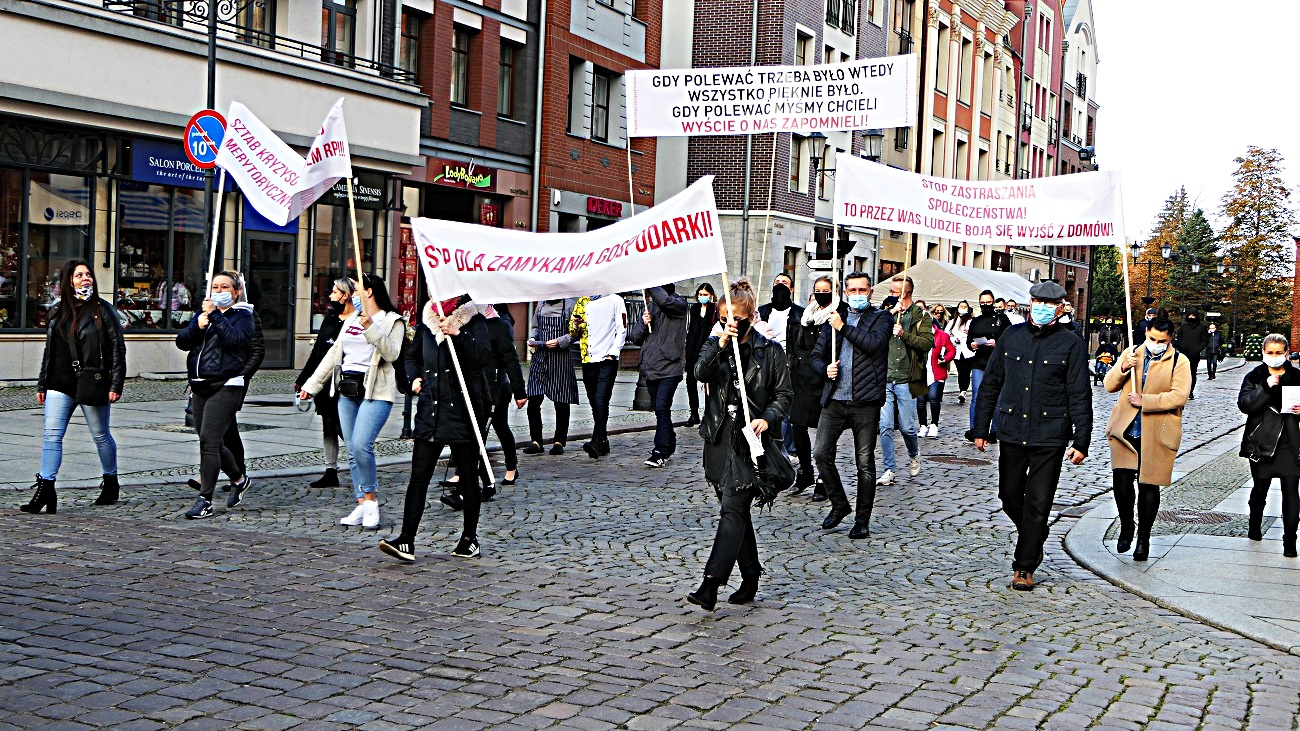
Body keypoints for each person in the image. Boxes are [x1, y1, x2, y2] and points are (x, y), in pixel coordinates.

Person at [973, 281, 1092, 591]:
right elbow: (991, 383)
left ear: (1061, 308)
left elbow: (1080, 394)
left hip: (1050, 435)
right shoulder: (1011, 336)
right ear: (1030, 302)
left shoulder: (1071, 343)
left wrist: (1081, 440)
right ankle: (1035, 534)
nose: (1042, 308)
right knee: (1009, 496)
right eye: (1038, 302)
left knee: (1039, 502)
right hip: (1012, 430)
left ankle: (1024, 565)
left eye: (1049, 304)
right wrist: (980, 428)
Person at [686, 278, 791, 610]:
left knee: (733, 509)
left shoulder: (770, 351)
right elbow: (699, 372)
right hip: (719, 438)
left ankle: (710, 583)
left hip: (750, 441)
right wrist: (720, 344)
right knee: (736, 512)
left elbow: (784, 394)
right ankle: (751, 575)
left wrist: (768, 418)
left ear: (751, 316)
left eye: (737, 318)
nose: (730, 323)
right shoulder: (715, 344)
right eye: (724, 317)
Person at [379, 296, 494, 562]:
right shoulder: (428, 321)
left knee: (468, 478)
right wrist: (414, 378)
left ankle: (469, 539)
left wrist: (458, 333)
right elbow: (411, 357)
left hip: (463, 411)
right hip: (431, 410)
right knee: (418, 477)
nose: (433, 294)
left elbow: (483, 357)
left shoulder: (473, 320)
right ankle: (406, 540)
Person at [300, 274, 405, 530]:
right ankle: (361, 503)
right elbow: (334, 353)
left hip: (375, 391)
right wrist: (311, 386)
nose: (354, 295)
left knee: (361, 445)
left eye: (357, 290)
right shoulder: (351, 320)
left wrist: (371, 328)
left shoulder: (392, 321)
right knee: (351, 450)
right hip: (347, 389)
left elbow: (392, 353)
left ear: (369, 292)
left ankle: (371, 501)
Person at [24, 260, 126, 513]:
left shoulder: (102, 310)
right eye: (79, 275)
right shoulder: (57, 310)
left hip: (92, 381)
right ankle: (46, 489)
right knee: (52, 436)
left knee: (100, 435)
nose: (85, 278)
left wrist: (116, 383)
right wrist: (42, 382)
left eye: (88, 274)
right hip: (59, 382)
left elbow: (117, 347)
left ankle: (110, 481)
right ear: (69, 281)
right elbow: (50, 351)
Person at [811, 272, 893, 539]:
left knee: (864, 463)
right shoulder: (835, 317)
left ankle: (862, 520)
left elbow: (873, 345)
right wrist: (825, 369)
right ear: (845, 293)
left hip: (865, 402)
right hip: (835, 399)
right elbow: (816, 355)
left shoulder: (881, 318)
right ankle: (839, 503)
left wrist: (843, 327)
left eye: (862, 290)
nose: (857, 294)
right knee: (821, 453)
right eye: (853, 290)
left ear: (870, 292)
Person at [1105, 317, 1191, 561]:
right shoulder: (1132, 353)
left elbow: (1179, 396)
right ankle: (1126, 526)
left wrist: (1146, 401)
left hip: (1156, 432)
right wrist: (1123, 367)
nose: (1156, 343)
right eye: (1152, 338)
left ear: (1170, 338)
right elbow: (1109, 385)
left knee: (1148, 486)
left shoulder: (1179, 361)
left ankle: (1144, 538)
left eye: (1161, 341)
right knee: (1122, 482)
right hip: (1125, 429)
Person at [176, 271, 256, 519]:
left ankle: (205, 500)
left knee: (209, 442)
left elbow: (235, 341)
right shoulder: (203, 314)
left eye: (224, 287)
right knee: (210, 440)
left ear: (236, 292)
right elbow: (182, 342)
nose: (219, 291)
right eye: (215, 287)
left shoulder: (243, 316)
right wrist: (197, 326)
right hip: (201, 384)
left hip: (227, 384)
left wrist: (215, 316)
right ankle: (239, 479)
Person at [1237, 334, 1300, 558]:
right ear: (1264, 352)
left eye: (1279, 353)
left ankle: (1290, 540)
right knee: (1260, 488)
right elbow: (1245, 405)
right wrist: (1265, 386)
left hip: (1291, 443)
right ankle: (1254, 525)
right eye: (1270, 352)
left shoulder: (1297, 377)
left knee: (1291, 491)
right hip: (1262, 441)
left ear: (1286, 353)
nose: (1274, 357)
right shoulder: (1255, 376)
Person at [294, 278, 355, 488]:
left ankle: (361, 461)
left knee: (342, 426)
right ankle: (331, 470)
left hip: (344, 381)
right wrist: (304, 379)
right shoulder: (330, 318)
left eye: (335, 292)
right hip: (323, 381)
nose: (330, 295)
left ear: (345, 295)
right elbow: (318, 352)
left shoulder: (357, 320)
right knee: (328, 423)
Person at [878, 275, 933, 485]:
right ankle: (889, 469)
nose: (890, 294)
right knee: (885, 425)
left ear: (905, 293)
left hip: (906, 379)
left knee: (907, 427)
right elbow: (873, 330)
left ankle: (913, 453)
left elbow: (927, 343)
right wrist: (891, 313)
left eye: (894, 291)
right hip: (885, 377)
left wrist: (904, 334)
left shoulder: (921, 316)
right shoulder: (886, 313)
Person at [628, 284, 689, 468]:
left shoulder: (679, 303)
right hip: (651, 367)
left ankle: (660, 451)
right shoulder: (651, 306)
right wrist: (643, 322)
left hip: (670, 368)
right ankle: (670, 440)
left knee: (662, 406)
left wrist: (650, 281)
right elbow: (635, 337)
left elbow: (665, 301)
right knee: (659, 408)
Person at [789, 276, 838, 496]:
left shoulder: (838, 313)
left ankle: (823, 478)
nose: (821, 294)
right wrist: (796, 362)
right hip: (802, 378)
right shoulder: (806, 315)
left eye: (826, 290)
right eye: (818, 290)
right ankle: (805, 472)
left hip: (825, 377)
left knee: (823, 431)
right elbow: (798, 344)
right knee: (797, 425)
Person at [570, 292, 627, 459]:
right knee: (594, 402)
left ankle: (596, 441)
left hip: (607, 359)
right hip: (588, 359)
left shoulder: (615, 300)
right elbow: (573, 331)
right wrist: (576, 325)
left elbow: (622, 328)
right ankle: (603, 441)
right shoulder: (582, 301)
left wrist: (613, 353)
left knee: (601, 400)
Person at [523, 297, 580, 455]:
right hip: (540, 357)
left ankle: (559, 441)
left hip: (560, 358)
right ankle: (536, 441)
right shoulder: (540, 304)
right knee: (533, 400)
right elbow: (535, 327)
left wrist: (560, 341)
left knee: (561, 402)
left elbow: (576, 333)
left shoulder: (570, 305)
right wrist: (533, 339)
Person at [964, 290, 1011, 440]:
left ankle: (994, 430)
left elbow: (1010, 338)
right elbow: (969, 340)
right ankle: (974, 429)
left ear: (993, 302)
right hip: (980, 361)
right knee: (976, 395)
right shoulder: (976, 321)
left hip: (997, 362)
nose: (985, 305)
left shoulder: (1001, 318)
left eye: (988, 302)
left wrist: (997, 343)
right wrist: (972, 345)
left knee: (997, 397)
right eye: (982, 302)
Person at [917, 304, 955, 438]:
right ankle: (922, 425)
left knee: (934, 398)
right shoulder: (917, 336)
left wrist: (945, 359)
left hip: (936, 372)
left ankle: (934, 424)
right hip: (921, 373)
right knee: (920, 401)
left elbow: (951, 350)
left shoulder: (942, 335)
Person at [684, 284, 717, 427]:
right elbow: (692, 328)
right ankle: (694, 413)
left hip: (706, 347)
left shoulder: (714, 309)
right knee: (690, 381)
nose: (702, 297)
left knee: (707, 383)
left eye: (705, 294)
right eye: (700, 294)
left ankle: (707, 414)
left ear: (711, 295)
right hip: (693, 347)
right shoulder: (694, 308)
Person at [1175, 310, 1208, 399]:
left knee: (1192, 373)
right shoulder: (1184, 326)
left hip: (1194, 355)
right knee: (1181, 373)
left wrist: (1197, 349)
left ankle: (1190, 391)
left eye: (1193, 316)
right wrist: (1180, 347)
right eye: (1190, 316)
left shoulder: (1202, 327)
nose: (1191, 318)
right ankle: (1181, 390)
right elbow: (1178, 338)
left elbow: (1205, 340)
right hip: (1183, 354)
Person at [947, 300, 975, 405]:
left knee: (966, 371)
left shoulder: (971, 322)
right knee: (960, 372)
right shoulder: (952, 322)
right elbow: (947, 334)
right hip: (957, 350)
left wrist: (969, 334)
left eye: (965, 307)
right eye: (961, 306)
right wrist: (954, 339)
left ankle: (963, 391)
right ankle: (961, 391)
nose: (963, 308)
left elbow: (975, 335)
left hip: (968, 351)